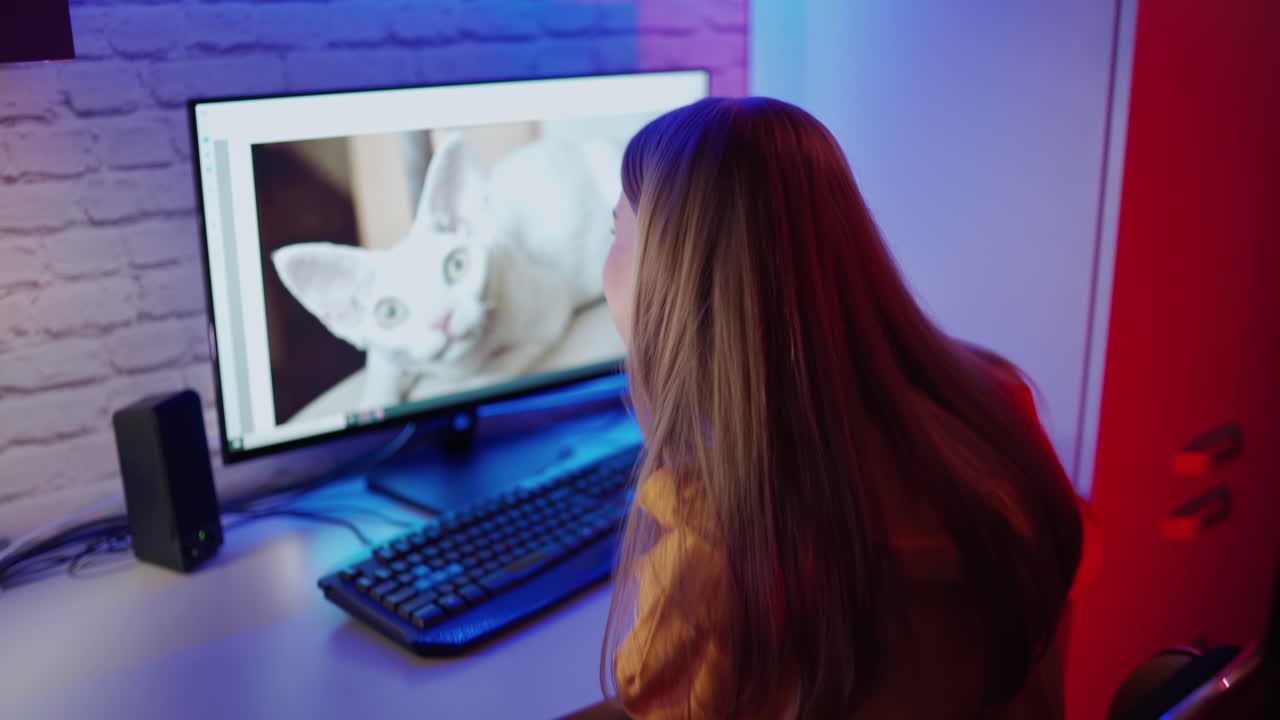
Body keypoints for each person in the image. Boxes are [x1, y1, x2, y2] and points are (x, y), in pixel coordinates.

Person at [583, 97, 1092, 719]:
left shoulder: (718, 553)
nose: (604, 264)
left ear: (675, 280)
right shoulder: (993, 402)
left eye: (617, 234)